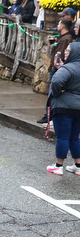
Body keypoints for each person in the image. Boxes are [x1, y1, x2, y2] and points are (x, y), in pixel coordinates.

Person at [47, 42, 80, 175]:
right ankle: (78, 165)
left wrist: (57, 93)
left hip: (63, 106)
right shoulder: (69, 67)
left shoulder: (67, 68)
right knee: (74, 137)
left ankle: (58, 165)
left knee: (62, 137)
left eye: (68, 51)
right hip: (78, 108)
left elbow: (56, 82)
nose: (65, 53)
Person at [38, 17, 75, 123]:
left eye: (59, 24)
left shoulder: (65, 39)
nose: (57, 26)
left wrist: (55, 67)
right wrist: (54, 44)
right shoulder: (62, 37)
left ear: (63, 26)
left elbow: (59, 56)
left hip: (56, 70)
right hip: (55, 69)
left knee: (52, 94)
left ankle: (48, 116)